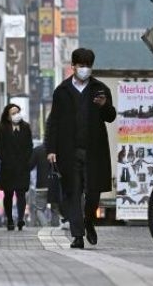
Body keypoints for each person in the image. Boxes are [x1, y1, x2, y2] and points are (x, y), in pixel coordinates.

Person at [45, 47, 116, 249]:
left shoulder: (100, 90)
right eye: (81, 65)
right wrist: (51, 149)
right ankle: (77, 236)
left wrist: (104, 106)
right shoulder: (62, 91)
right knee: (73, 193)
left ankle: (89, 220)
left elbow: (110, 117)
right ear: (73, 66)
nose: (85, 69)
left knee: (93, 193)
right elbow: (54, 122)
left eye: (88, 66)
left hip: (94, 151)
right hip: (69, 152)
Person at [0, 103, 33, 231]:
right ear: (7, 116)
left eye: (18, 112)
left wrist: (25, 160)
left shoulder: (26, 127)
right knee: (8, 194)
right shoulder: (1, 128)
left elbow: (29, 146)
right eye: (13, 113)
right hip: (7, 167)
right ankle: (10, 219)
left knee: (21, 193)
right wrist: (7, 160)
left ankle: (21, 219)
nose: (16, 115)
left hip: (22, 167)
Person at [29, 142, 60, 227]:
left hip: (41, 185)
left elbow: (30, 165)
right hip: (54, 184)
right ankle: (55, 228)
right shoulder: (58, 150)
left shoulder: (38, 150)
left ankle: (45, 226)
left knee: (39, 209)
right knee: (55, 209)